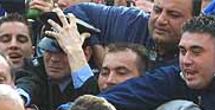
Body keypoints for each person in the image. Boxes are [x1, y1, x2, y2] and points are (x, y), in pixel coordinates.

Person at [22, 15, 215, 110]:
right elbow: (120, 98)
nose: (186, 60)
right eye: (182, 51)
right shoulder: (176, 76)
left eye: (196, 52)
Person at [64, 0, 200, 68]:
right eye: (157, 10)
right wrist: (96, 47)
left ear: (194, 20)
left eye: (173, 15)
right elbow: (74, 11)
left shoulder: (196, 57)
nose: (160, 20)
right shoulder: (132, 21)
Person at [16, 8, 100, 110]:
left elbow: (92, 105)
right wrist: (18, 100)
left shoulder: (102, 77)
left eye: (64, 52)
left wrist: (75, 52)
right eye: (49, 50)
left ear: (86, 54)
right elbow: (28, 82)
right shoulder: (37, 67)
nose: (54, 59)